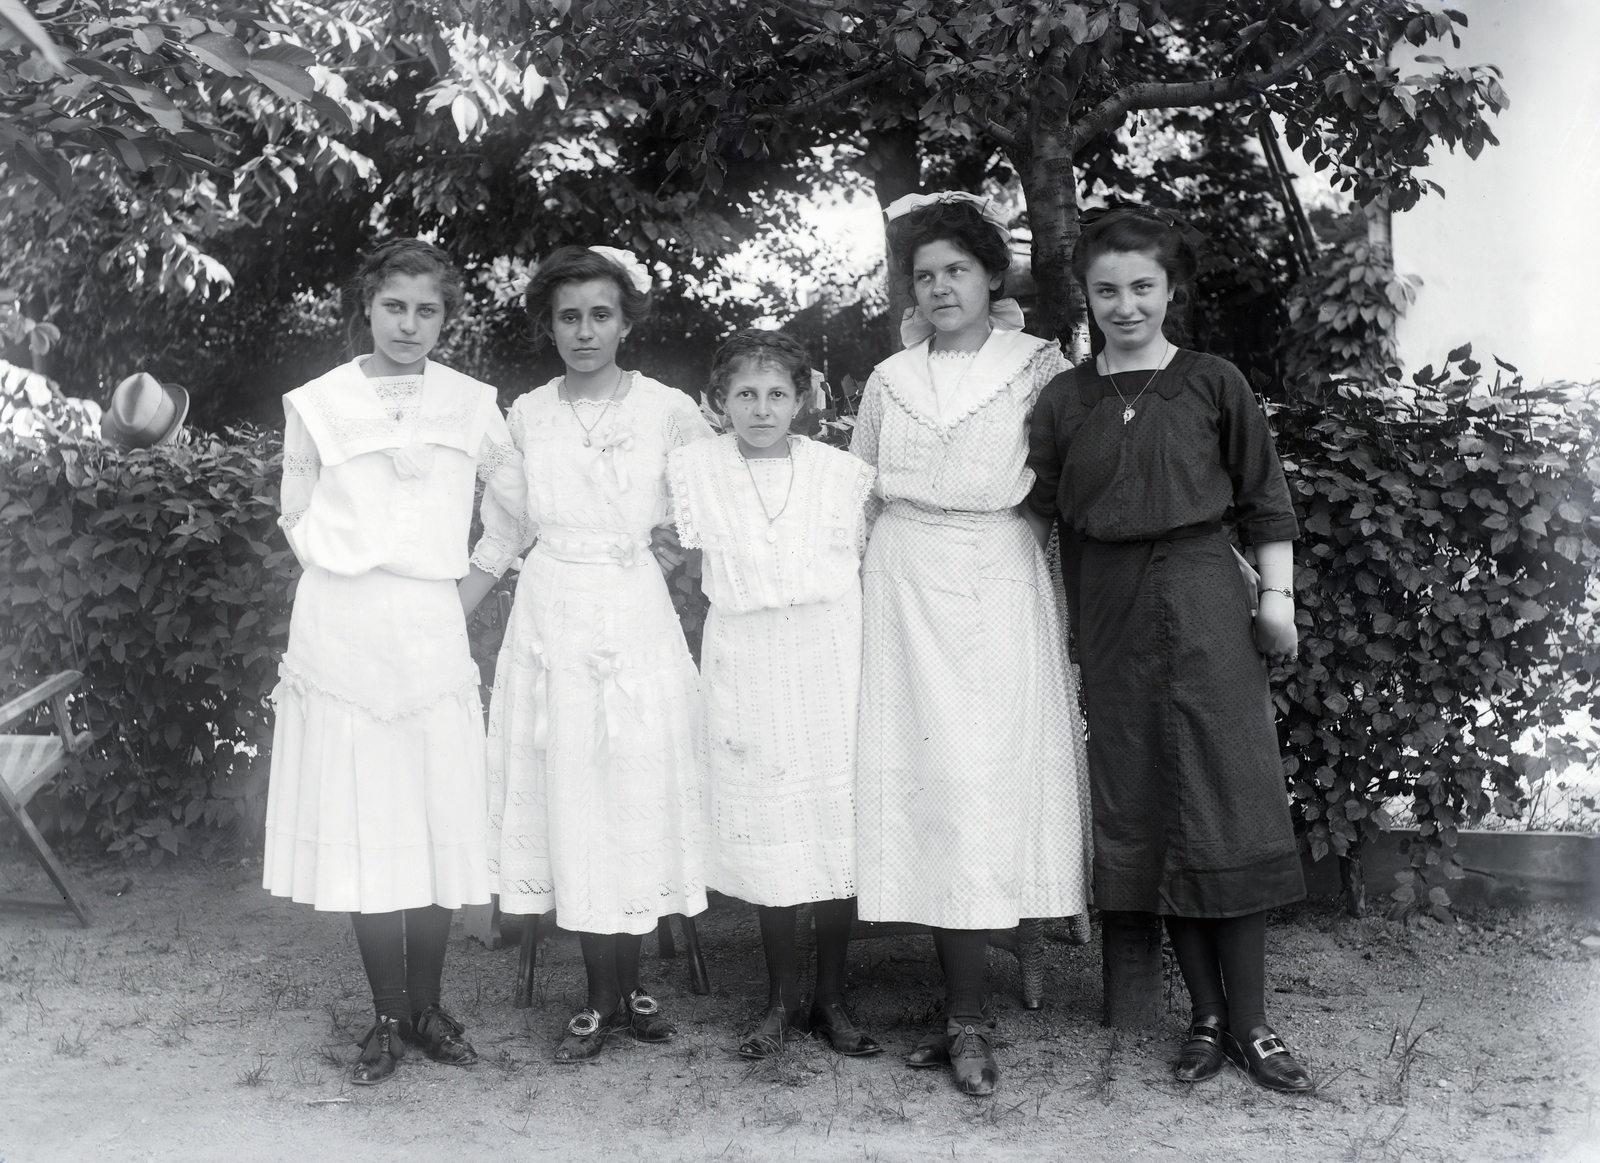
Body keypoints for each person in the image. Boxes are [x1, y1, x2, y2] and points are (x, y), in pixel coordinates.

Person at [1026, 205, 1314, 1094]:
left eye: (1141, 286)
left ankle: (1257, 1025)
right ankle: (1207, 1019)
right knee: (1149, 808)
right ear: (1086, 295)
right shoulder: (1065, 398)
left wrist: (1279, 601)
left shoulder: (1212, 381)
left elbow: (1264, 500)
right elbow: (1036, 514)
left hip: (1203, 598)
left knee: (1228, 801)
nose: (1125, 305)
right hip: (1108, 610)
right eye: (1106, 289)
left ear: (1170, 290)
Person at [263, 238, 527, 1086]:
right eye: (394, 307)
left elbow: (511, 512)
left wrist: (461, 595)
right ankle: (384, 1014)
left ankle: (426, 1005)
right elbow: (296, 509)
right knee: (369, 824)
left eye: (427, 309)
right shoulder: (318, 402)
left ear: (448, 317)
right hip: (342, 627)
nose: (409, 324)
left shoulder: (473, 404)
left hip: (430, 626)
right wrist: (354, 570)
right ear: (367, 308)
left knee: (434, 816)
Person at [849, 192, 1093, 1097]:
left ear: (994, 277)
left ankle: (972, 1010)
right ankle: (957, 1005)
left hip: (996, 574)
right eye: (926, 274)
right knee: (922, 779)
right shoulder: (889, 379)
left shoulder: (1037, 368)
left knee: (986, 778)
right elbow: (860, 491)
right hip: (902, 579)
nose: (942, 286)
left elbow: (1068, 478)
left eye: (958, 269)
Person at [480, 245, 712, 1065]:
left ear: (626, 321)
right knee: (571, 789)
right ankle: (598, 993)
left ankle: (635, 984)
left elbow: (707, 511)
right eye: (569, 316)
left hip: (632, 607)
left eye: (600, 315)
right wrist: (444, 617)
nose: (585, 331)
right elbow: (503, 530)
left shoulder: (669, 410)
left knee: (633, 787)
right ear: (549, 324)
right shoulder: (525, 414)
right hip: (551, 615)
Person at [667, 330, 880, 1060]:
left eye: (777, 393)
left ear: (804, 399)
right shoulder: (694, 470)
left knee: (831, 827)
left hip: (826, 655)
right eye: (745, 394)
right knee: (773, 832)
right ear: (719, 401)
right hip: (747, 661)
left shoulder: (842, 474)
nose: (761, 408)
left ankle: (832, 997)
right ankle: (780, 997)